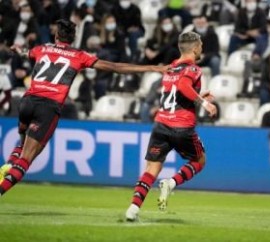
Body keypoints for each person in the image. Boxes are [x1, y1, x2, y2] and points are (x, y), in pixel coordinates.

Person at [0, 19, 166, 196]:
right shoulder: (78, 55)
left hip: (27, 102)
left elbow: (26, 53)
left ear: (56, 35)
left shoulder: (42, 48)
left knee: (23, 143)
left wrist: (18, 50)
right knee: (26, 159)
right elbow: (115, 67)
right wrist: (152, 67)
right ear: (74, 38)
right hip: (47, 107)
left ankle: (9, 165)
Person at [125, 31, 217, 221]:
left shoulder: (171, 68)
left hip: (161, 123)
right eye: (200, 45)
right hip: (182, 126)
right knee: (200, 161)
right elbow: (183, 86)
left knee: (151, 168)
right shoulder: (193, 69)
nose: (202, 48)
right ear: (194, 48)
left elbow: (177, 91)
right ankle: (171, 183)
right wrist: (203, 102)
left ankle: (133, 209)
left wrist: (199, 94)